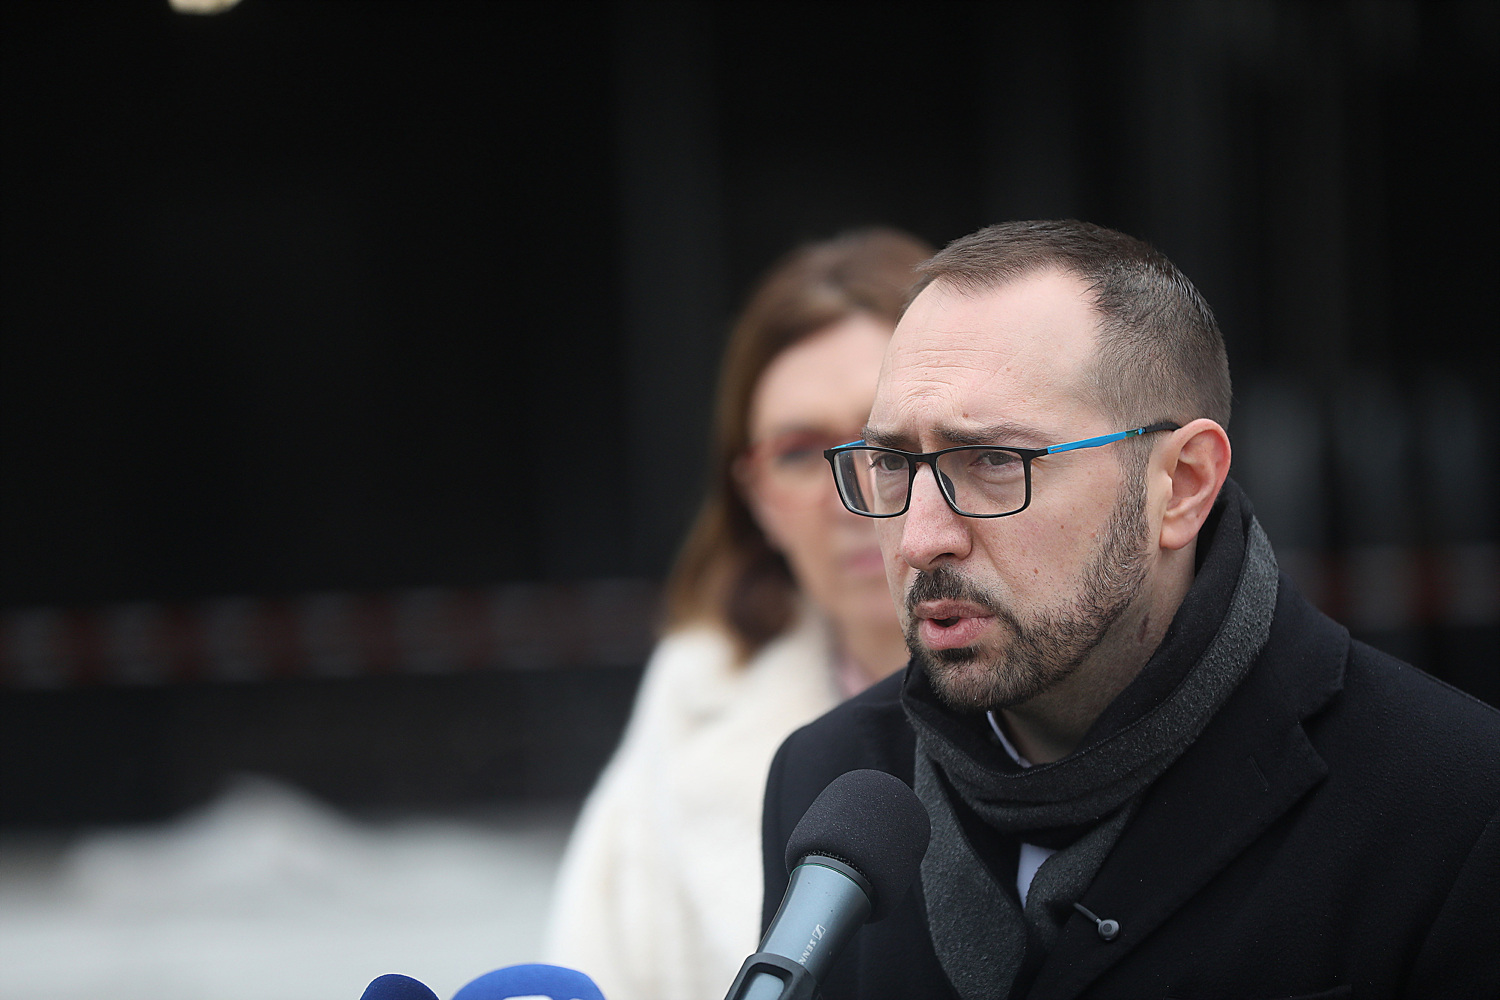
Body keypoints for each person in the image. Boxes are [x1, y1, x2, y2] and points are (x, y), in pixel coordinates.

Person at [761, 220, 1500, 999]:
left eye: (993, 461)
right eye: (890, 463)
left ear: (1181, 485)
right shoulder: (828, 782)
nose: (919, 538)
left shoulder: (1452, 805)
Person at [544, 228, 934, 1000]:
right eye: (800, 453)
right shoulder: (694, 700)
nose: (851, 493)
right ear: (755, 500)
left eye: (886, 441)